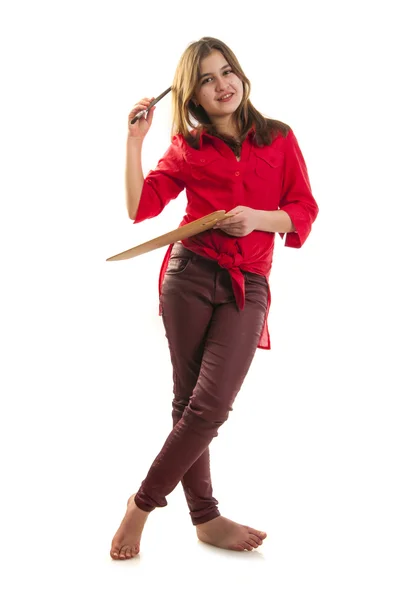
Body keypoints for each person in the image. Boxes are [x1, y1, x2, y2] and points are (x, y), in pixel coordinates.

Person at [110, 36, 319, 560]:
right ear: (193, 96)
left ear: (241, 75)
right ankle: (206, 519)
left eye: (226, 71)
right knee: (188, 403)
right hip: (188, 275)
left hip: (247, 283)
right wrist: (134, 142)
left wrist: (259, 218)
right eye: (206, 78)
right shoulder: (187, 147)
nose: (221, 84)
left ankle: (141, 504)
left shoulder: (279, 138)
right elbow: (140, 208)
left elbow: (303, 208)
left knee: (210, 406)